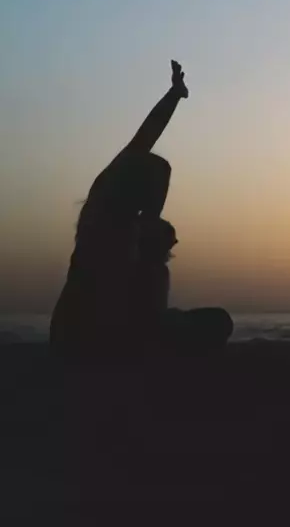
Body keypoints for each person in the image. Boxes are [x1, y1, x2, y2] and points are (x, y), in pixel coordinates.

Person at [50, 60, 231, 358]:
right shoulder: (119, 233)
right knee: (216, 321)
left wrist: (174, 95)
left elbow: (143, 139)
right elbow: (142, 306)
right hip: (98, 337)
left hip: (70, 334)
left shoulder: (102, 197)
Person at [131, 215, 233, 356]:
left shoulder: (154, 269)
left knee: (220, 318)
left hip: (157, 325)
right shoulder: (146, 270)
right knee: (219, 319)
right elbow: (150, 316)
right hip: (150, 330)